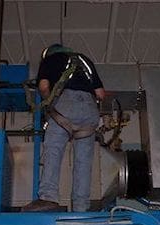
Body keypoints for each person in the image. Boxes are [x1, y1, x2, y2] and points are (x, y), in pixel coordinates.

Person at [22, 44, 105, 212]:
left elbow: (44, 87)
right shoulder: (84, 60)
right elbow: (101, 94)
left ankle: (48, 197)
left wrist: (50, 103)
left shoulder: (50, 60)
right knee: (83, 160)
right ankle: (81, 207)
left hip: (65, 105)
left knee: (54, 150)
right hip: (90, 110)